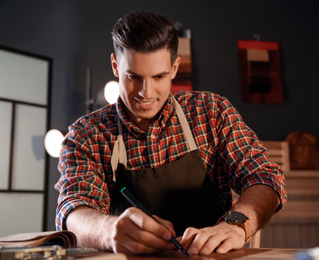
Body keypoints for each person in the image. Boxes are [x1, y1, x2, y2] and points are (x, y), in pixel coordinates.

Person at [55, 11, 287, 256]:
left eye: (159, 76)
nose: (146, 92)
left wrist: (237, 223)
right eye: (133, 76)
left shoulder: (211, 112)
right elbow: (73, 210)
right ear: (115, 66)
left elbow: (264, 176)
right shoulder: (86, 134)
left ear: (175, 68)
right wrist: (107, 230)